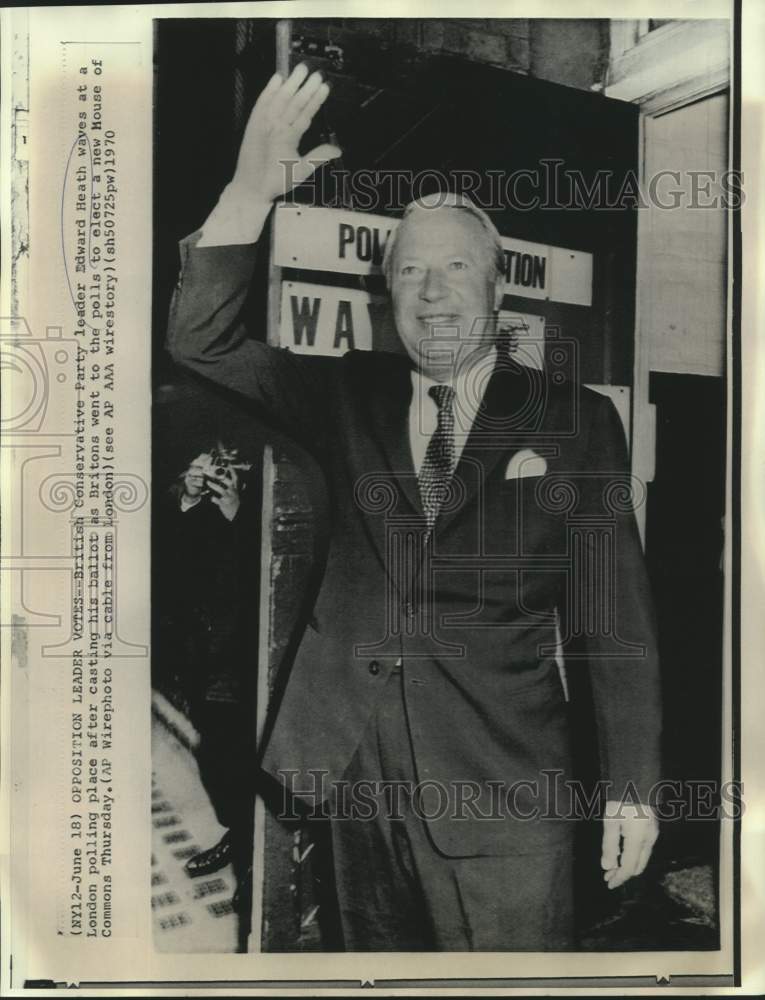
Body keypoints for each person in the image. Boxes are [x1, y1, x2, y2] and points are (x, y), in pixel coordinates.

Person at [166, 63, 661, 951]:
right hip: (357, 791)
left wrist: (632, 785)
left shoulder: (573, 421)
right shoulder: (339, 397)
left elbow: (610, 617)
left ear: (496, 286)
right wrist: (249, 193)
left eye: (456, 268)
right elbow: (198, 339)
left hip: (505, 799)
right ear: (386, 297)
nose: (432, 293)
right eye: (410, 273)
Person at [154, 448, 257, 930]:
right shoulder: (199, 506)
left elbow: (260, 566)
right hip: (205, 653)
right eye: (203, 469)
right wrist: (191, 499)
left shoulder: (265, 496)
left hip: (249, 653)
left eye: (218, 472)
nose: (214, 476)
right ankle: (238, 836)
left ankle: (255, 868)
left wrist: (236, 508)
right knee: (216, 758)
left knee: (247, 760)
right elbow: (173, 559)